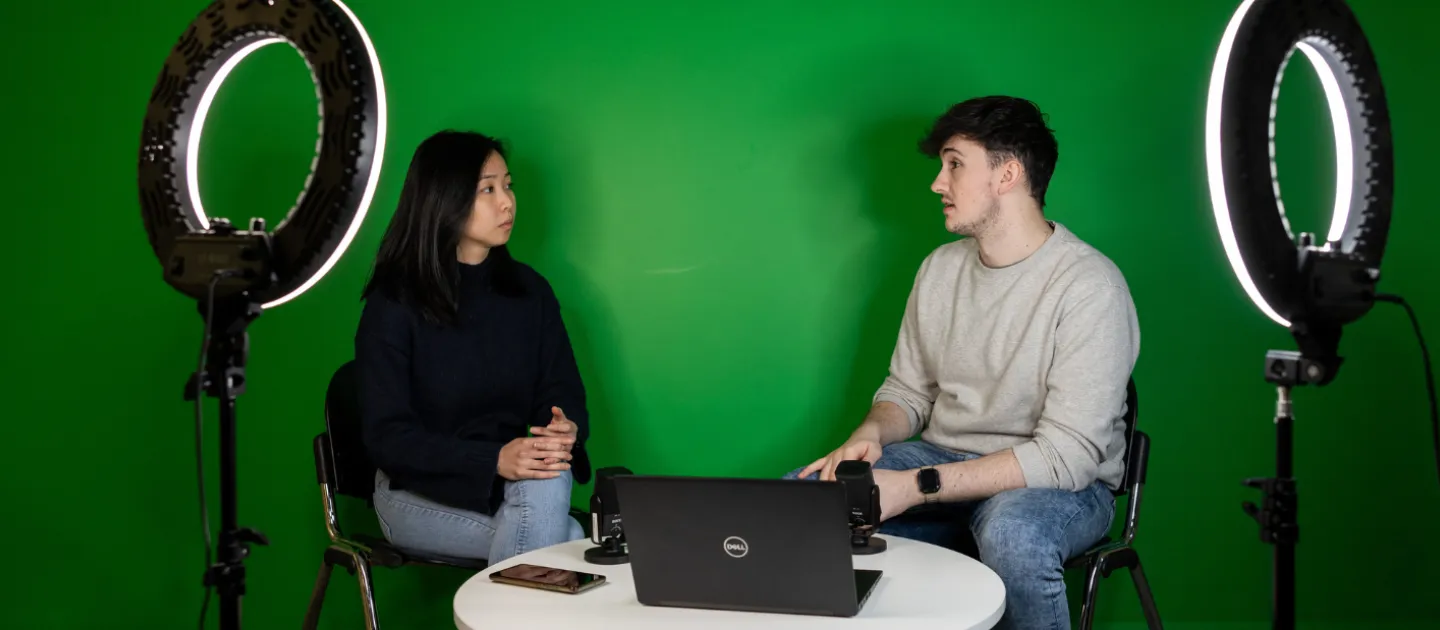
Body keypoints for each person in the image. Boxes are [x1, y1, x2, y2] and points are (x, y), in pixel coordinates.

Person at [787, 96, 1139, 629]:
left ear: (1008, 174)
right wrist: (873, 433)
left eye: (954, 164)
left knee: (1012, 535)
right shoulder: (939, 270)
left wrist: (916, 486)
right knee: (805, 502)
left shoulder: (1090, 288)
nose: (937, 183)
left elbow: (1068, 457)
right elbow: (907, 392)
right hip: (943, 458)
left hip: (1057, 488)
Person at [354, 130, 590, 565]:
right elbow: (387, 437)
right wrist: (493, 459)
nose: (507, 202)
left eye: (508, 185)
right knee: (569, 539)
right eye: (487, 189)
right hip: (417, 497)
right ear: (444, 199)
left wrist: (563, 429)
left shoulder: (530, 293)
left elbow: (562, 389)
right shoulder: (396, 304)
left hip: (514, 492)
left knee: (549, 476)